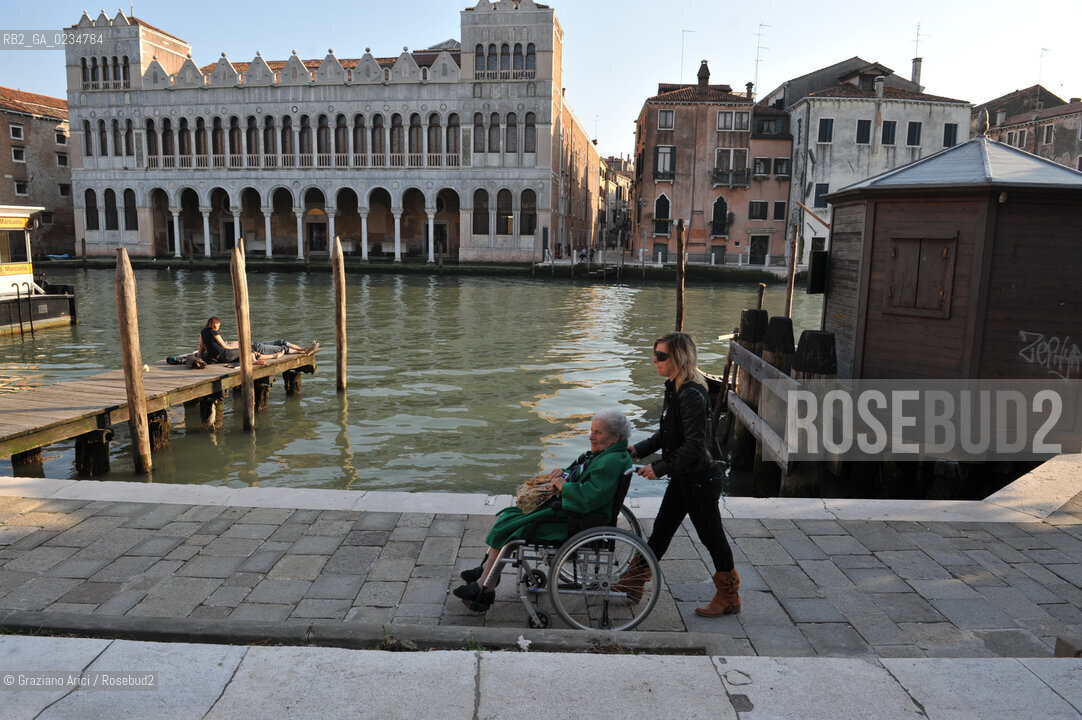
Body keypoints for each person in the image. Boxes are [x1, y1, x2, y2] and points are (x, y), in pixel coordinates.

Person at [451, 409, 633, 612]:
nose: (591, 436)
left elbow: (590, 496)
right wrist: (561, 474)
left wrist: (564, 486)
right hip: (575, 512)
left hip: (576, 520)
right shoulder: (607, 454)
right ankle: (487, 570)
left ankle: (484, 587)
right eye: (591, 430)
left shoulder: (610, 461)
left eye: (597, 432)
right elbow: (577, 472)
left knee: (512, 526)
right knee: (510, 515)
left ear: (615, 436)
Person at [616, 332, 740, 617]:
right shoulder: (675, 387)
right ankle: (633, 583)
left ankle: (729, 597)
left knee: (712, 539)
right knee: (661, 531)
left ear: (679, 358)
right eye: (655, 353)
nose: (655, 359)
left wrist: (659, 467)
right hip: (685, 477)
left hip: (699, 480)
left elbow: (695, 444)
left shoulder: (691, 394)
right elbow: (669, 433)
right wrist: (638, 449)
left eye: (661, 355)